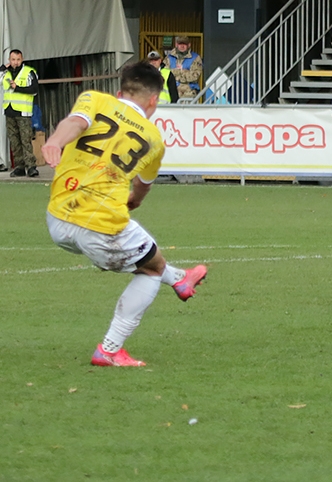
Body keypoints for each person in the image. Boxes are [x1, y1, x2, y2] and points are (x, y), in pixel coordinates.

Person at [42, 62, 208, 367]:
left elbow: (75, 123)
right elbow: (143, 186)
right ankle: (109, 349)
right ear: (154, 100)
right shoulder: (154, 139)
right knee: (152, 269)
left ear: (119, 92)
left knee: (149, 254)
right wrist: (133, 199)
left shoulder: (95, 99)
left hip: (58, 216)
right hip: (101, 224)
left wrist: (54, 141)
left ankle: (182, 280)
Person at [3, 49, 39, 177]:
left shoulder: (29, 72)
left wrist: (17, 88)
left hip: (23, 111)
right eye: (13, 60)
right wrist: (3, 67)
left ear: (22, 59)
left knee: (25, 139)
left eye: (18, 59)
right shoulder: (5, 73)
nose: (15, 62)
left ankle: (31, 166)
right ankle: (19, 166)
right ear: (9, 60)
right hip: (9, 110)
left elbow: (34, 89)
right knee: (14, 140)